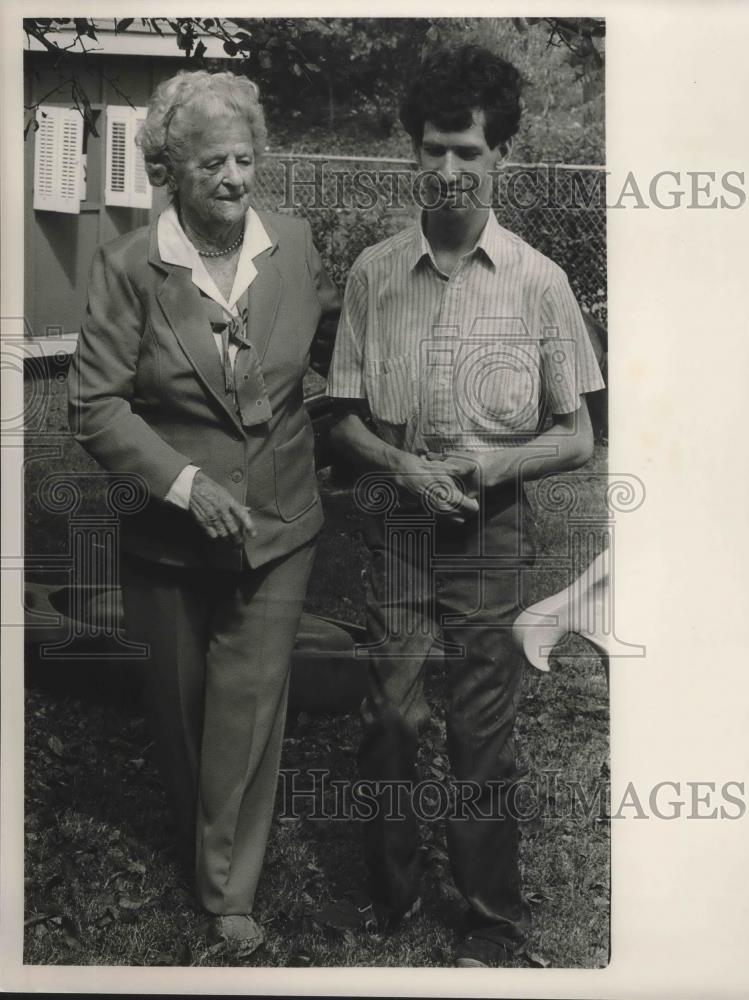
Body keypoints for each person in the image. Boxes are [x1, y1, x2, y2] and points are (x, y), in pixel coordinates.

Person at [326, 44, 605, 967]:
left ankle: (491, 918)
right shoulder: (372, 274)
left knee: (480, 727)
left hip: (491, 532)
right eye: (434, 148)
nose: (449, 169)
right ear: (414, 150)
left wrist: (490, 463)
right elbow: (344, 421)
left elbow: (578, 439)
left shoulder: (539, 283)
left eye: (469, 153)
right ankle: (394, 897)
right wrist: (397, 467)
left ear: (502, 161)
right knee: (393, 717)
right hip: (399, 527)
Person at [67, 70, 340, 956]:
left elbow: (307, 377)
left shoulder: (293, 246)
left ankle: (229, 887)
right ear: (169, 170)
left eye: (246, 159)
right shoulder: (127, 267)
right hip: (169, 533)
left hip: (281, 522)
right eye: (213, 162)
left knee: (250, 704)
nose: (234, 178)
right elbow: (95, 405)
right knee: (181, 712)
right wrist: (186, 483)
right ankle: (205, 835)